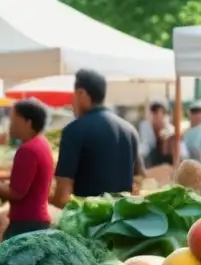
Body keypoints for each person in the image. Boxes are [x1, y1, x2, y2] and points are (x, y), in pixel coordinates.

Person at [51, 69, 144, 207]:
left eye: (74, 96)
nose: (72, 102)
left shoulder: (74, 131)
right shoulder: (130, 131)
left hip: (88, 224)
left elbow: (62, 197)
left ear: (81, 94)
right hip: (122, 222)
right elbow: (139, 178)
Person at [0, 99, 54, 239]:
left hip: (26, 223)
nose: (10, 125)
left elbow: (17, 193)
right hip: (37, 220)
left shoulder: (28, 150)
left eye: (13, 120)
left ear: (28, 122)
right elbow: (25, 175)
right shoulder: (41, 143)